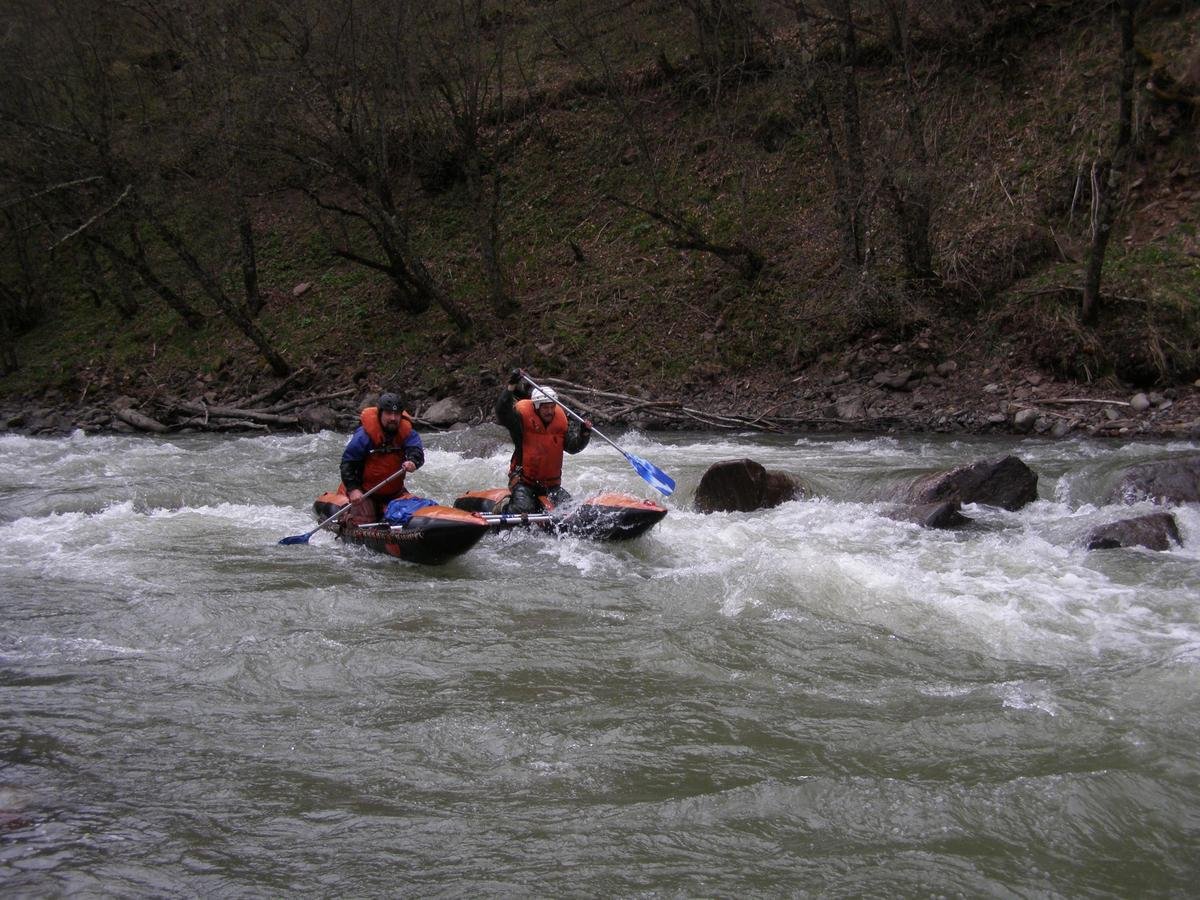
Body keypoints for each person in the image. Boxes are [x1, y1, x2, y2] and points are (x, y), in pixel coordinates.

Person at [495, 369, 591, 513]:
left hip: (551, 485)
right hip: (524, 482)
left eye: (552, 407)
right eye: (545, 408)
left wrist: (584, 433)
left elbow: (573, 447)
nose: (550, 411)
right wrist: (511, 386)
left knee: (571, 511)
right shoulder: (520, 421)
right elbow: (502, 411)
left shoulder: (560, 422)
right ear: (536, 407)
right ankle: (504, 506)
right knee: (522, 510)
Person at [339, 392, 425, 524]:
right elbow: (348, 464)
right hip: (365, 492)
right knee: (364, 519)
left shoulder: (407, 433)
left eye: (396, 414)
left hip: (395, 492)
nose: (393, 418)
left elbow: (416, 451)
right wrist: (353, 489)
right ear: (380, 414)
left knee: (414, 514)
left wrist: (413, 462)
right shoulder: (364, 436)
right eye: (388, 413)